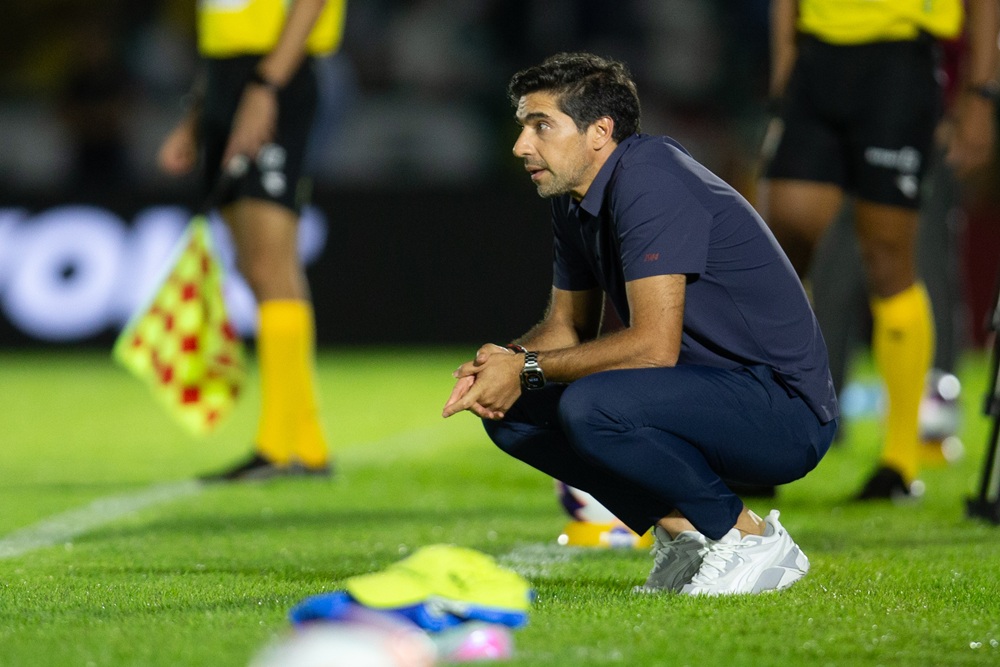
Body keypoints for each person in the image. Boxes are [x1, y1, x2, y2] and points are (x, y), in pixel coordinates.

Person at [442, 53, 839, 596]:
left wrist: (527, 367)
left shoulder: (651, 179)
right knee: (512, 410)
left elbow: (653, 347)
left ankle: (749, 538)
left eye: (541, 126)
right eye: (523, 126)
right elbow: (567, 327)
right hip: (702, 394)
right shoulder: (573, 196)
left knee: (591, 406)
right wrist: (504, 363)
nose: (521, 145)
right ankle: (685, 535)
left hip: (783, 411)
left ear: (599, 132)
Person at [759, 0, 999, 499]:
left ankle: (899, 462)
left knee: (888, 254)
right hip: (816, 59)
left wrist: (980, 92)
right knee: (782, 240)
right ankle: (763, 440)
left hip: (898, 61)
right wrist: (784, 65)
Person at [158, 0, 348, 480]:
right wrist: (198, 115)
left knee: (268, 265)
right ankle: (306, 443)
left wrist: (266, 86)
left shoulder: (268, 81)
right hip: (226, 80)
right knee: (257, 266)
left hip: (276, 70)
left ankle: (277, 446)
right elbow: (224, 29)